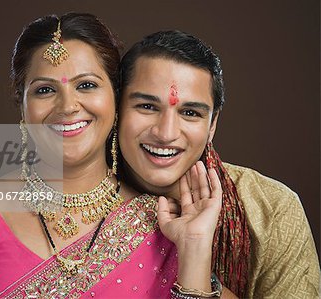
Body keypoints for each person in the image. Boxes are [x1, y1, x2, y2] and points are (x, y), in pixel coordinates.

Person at [0, 13, 223, 298]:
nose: (67, 106)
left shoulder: (163, 225)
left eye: (87, 85)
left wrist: (195, 248)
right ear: (22, 105)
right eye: (44, 90)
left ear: (116, 99)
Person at [117, 30, 320, 298]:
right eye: (147, 106)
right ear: (117, 108)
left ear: (212, 125)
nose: (166, 133)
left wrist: (196, 248)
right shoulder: (75, 197)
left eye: (190, 113)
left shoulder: (272, 208)